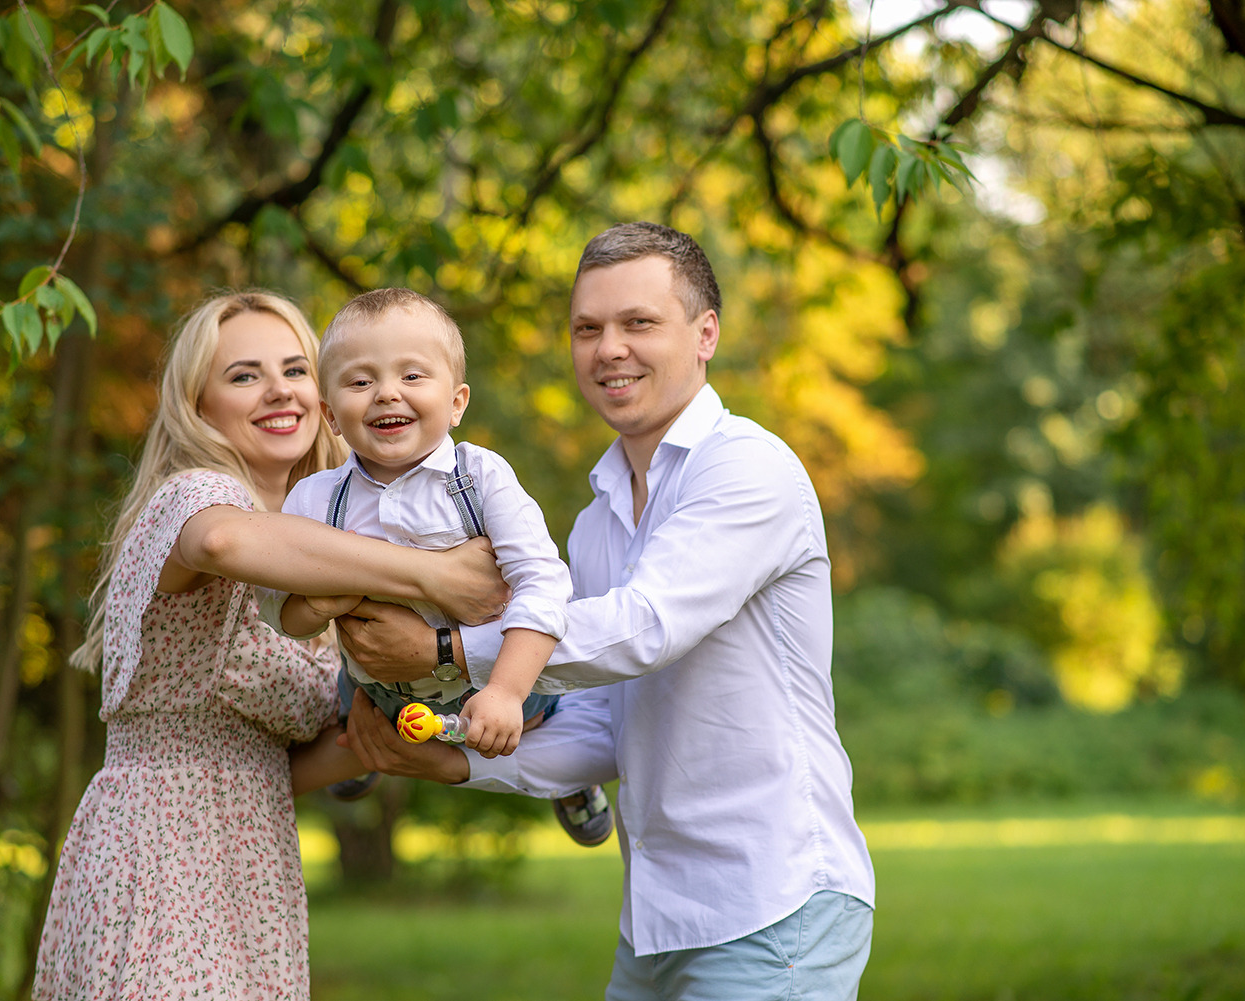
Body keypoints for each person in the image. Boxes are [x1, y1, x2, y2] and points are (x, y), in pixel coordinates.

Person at [339, 224, 877, 1001]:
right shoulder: (594, 524)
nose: (608, 348)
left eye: (638, 323)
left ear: (705, 334)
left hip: (775, 902)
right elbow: (599, 728)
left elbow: (645, 627)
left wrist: (443, 649)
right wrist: (452, 759)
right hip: (658, 919)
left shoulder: (748, 468)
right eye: (587, 328)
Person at [30, 290, 508, 1001]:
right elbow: (222, 540)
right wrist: (434, 571)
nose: (278, 388)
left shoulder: (326, 538)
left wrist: (376, 736)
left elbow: (275, 762)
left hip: (254, 863)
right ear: (199, 405)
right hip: (159, 853)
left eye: (294, 368)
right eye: (245, 374)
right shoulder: (191, 495)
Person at [258, 287, 612, 844]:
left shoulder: (479, 480)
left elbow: (543, 583)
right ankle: (366, 743)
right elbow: (280, 615)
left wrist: (506, 693)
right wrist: (317, 603)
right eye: (360, 381)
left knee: (548, 711)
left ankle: (567, 779)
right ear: (329, 414)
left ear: (457, 402)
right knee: (344, 691)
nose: (386, 394)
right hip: (379, 685)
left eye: (413, 376)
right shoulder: (314, 499)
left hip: (490, 685)